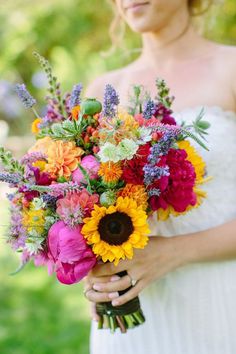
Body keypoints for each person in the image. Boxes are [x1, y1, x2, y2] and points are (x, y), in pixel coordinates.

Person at [84, 1, 236, 353]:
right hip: (131, 321)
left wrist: (174, 252)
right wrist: (90, 270)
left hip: (220, 301)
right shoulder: (101, 91)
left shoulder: (230, 68)